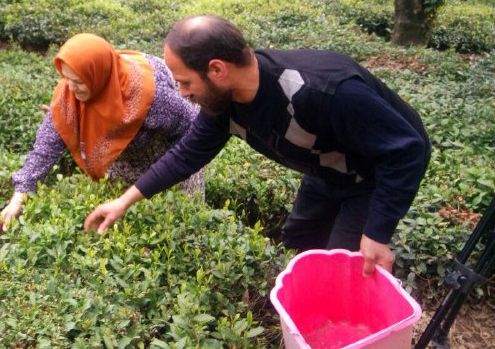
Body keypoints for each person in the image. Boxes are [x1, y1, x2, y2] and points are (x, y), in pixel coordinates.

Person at [84, 15, 431, 276]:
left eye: (186, 82)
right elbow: (188, 153)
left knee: (346, 267)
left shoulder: (324, 91)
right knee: (299, 242)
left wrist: (378, 230)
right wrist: (124, 201)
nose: (184, 93)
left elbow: (408, 149)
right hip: (325, 172)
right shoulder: (224, 102)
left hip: (369, 179)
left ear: (217, 69)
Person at [0, 33, 204, 238]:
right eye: (66, 78)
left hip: (172, 155)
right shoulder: (68, 97)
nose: (71, 88)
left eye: (79, 81)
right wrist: (18, 198)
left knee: (175, 227)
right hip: (125, 156)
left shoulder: (151, 96)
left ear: (97, 75)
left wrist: (170, 176)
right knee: (124, 226)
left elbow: (194, 130)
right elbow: (45, 149)